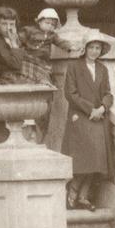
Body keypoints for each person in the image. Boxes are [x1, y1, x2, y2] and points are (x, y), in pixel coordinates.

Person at [63, 36, 115, 210]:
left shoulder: (102, 69)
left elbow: (108, 93)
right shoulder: (74, 67)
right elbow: (70, 93)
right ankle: (72, 193)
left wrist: (102, 108)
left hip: (98, 118)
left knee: (96, 159)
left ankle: (83, 196)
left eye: (98, 48)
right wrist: (90, 110)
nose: (95, 51)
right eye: (92, 47)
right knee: (83, 158)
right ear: (85, 49)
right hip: (80, 117)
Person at [21, 8, 76, 151]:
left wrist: (72, 47)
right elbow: (17, 41)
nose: (49, 26)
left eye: (52, 24)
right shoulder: (29, 31)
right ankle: (28, 122)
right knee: (27, 91)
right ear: (39, 21)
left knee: (46, 93)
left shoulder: (52, 36)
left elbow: (62, 43)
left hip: (43, 66)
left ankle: (40, 129)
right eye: (47, 22)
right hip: (28, 62)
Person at [0, 6, 34, 144]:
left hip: (18, 78)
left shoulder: (14, 39)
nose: (9, 28)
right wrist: (14, 44)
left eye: (12, 24)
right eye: (4, 24)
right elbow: (15, 64)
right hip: (7, 81)